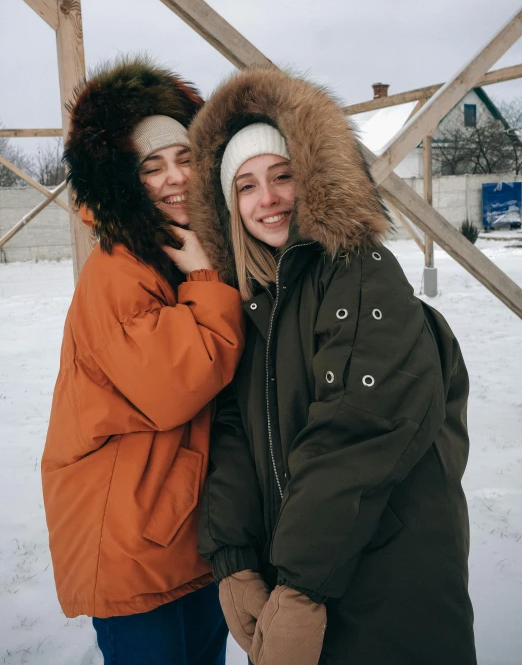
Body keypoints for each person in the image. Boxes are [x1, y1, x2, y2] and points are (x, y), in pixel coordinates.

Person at [189, 66, 477, 665]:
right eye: (245, 186)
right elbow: (236, 432)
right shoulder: (256, 299)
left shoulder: (361, 274)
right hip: (306, 574)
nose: (266, 198)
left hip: (388, 584)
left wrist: (300, 588)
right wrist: (236, 560)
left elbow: (357, 430)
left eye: (282, 175)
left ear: (314, 178)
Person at [41, 57, 244, 665]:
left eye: (185, 158)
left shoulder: (168, 251)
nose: (175, 178)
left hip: (181, 528)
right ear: (124, 181)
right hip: (131, 535)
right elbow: (177, 380)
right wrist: (206, 274)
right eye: (151, 167)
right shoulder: (120, 270)